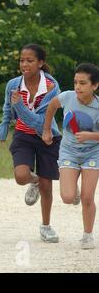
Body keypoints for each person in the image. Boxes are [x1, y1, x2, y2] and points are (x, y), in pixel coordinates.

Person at [0, 44, 61, 243]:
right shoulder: (13, 84)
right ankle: (34, 182)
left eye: (30, 60)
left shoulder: (52, 87)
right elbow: (8, 107)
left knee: (47, 186)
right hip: (23, 137)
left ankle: (46, 226)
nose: (24, 64)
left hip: (47, 136)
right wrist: (4, 125)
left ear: (40, 63)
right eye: (22, 60)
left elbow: (41, 123)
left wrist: (20, 107)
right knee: (20, 176)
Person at [42, 63, 99, 249]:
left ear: (94, 86)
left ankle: (88, 235)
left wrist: (90, 136)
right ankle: (74, 193)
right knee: (68, 197)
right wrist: (47, 130)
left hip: (93, 152)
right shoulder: (67, 97)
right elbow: (51, 107)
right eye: (75, 82)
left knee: (88, 197)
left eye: (83, 83)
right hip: (69, 152)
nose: (77, 87)